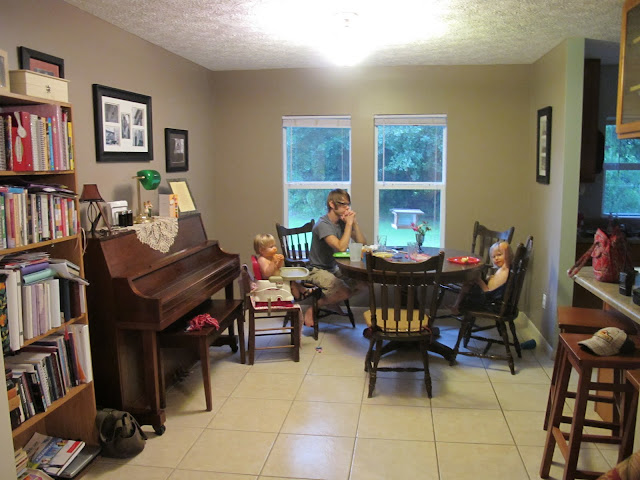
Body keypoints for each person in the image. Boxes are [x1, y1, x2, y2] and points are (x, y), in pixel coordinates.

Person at [304, 189, 367, 327]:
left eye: (348, 204)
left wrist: (354, 223)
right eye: (343, 204)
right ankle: (313, 308)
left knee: (363, 283)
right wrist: (348, 225)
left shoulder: (341, 222)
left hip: (333, 267)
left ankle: (332, 300)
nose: (347, 208)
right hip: (316, 269)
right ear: (332, 204)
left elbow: (362, 243)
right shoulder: (323, 224)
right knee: (344, 291)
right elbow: (341, 247)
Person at [450, 241, 513, 315]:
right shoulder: (502, 270)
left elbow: (488, 293)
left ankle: (458, 306)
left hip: (490, 302)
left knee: (470, 282)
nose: (496, 258)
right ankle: (457, 305)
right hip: (490, 297)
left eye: (499, 254)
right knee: (469, 282)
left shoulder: (505, 269)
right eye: (493, 257)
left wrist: (479, 280)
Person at [253, 233, 312, 300]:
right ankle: (298, 297)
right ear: (261, 250)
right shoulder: (262, 260)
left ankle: (305, 291)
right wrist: (273, 262)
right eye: (271, 247)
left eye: (274, 245)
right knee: (292, 283)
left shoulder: (271, 257)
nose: (274, 248)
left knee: (294, 280)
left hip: (277, 277)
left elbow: (278, 267)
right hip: (271, 281)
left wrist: (280, 261)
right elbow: (267, 274)